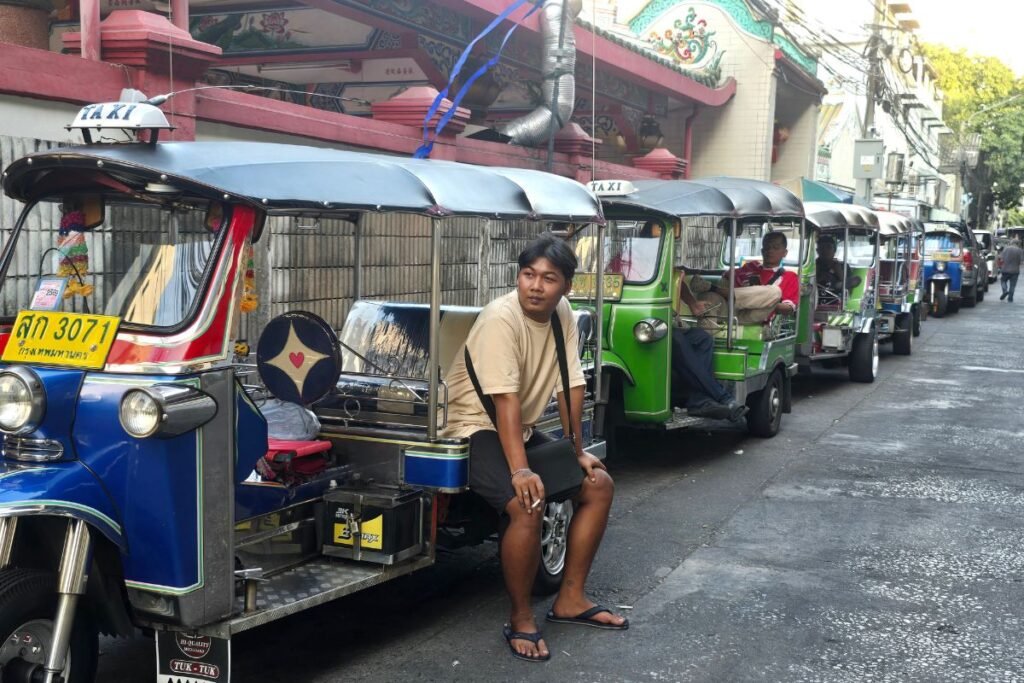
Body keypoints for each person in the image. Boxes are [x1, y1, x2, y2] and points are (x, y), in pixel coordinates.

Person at [442, 234, 627, 663]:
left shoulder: (562, 314)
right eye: (528, 275)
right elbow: (504, 401)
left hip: (516, 428)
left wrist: (576, 449)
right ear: (518, 277)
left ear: (566, 286)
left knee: (598, 484)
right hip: (470, 426)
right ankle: (521, 618)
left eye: (548, 278)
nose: (536, 286)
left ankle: (571, 599)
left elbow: (571, 384)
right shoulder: (500, 319)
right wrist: (521, 471)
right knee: (527, 502)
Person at [671, 274, 748, 421]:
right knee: (677, 339)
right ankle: (723, 397)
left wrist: (692, 303)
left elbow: (677, 282)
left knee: (703, 338)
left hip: (671, 322)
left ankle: (698, 401)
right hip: (648, 326)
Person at [697, 231, 800, 324]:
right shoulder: (751, 266)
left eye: (776, 248)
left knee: (775, 292)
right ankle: (706, 337)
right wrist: (748, 291)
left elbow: (789, 308)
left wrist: (763, 302)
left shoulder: (790, 277)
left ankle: (714, 288)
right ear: (762, 250)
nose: (770, 251)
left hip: (757, 314)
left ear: (785, 253)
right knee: (709, 297)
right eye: (767, 247)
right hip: (733, 310)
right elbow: (727, 276)